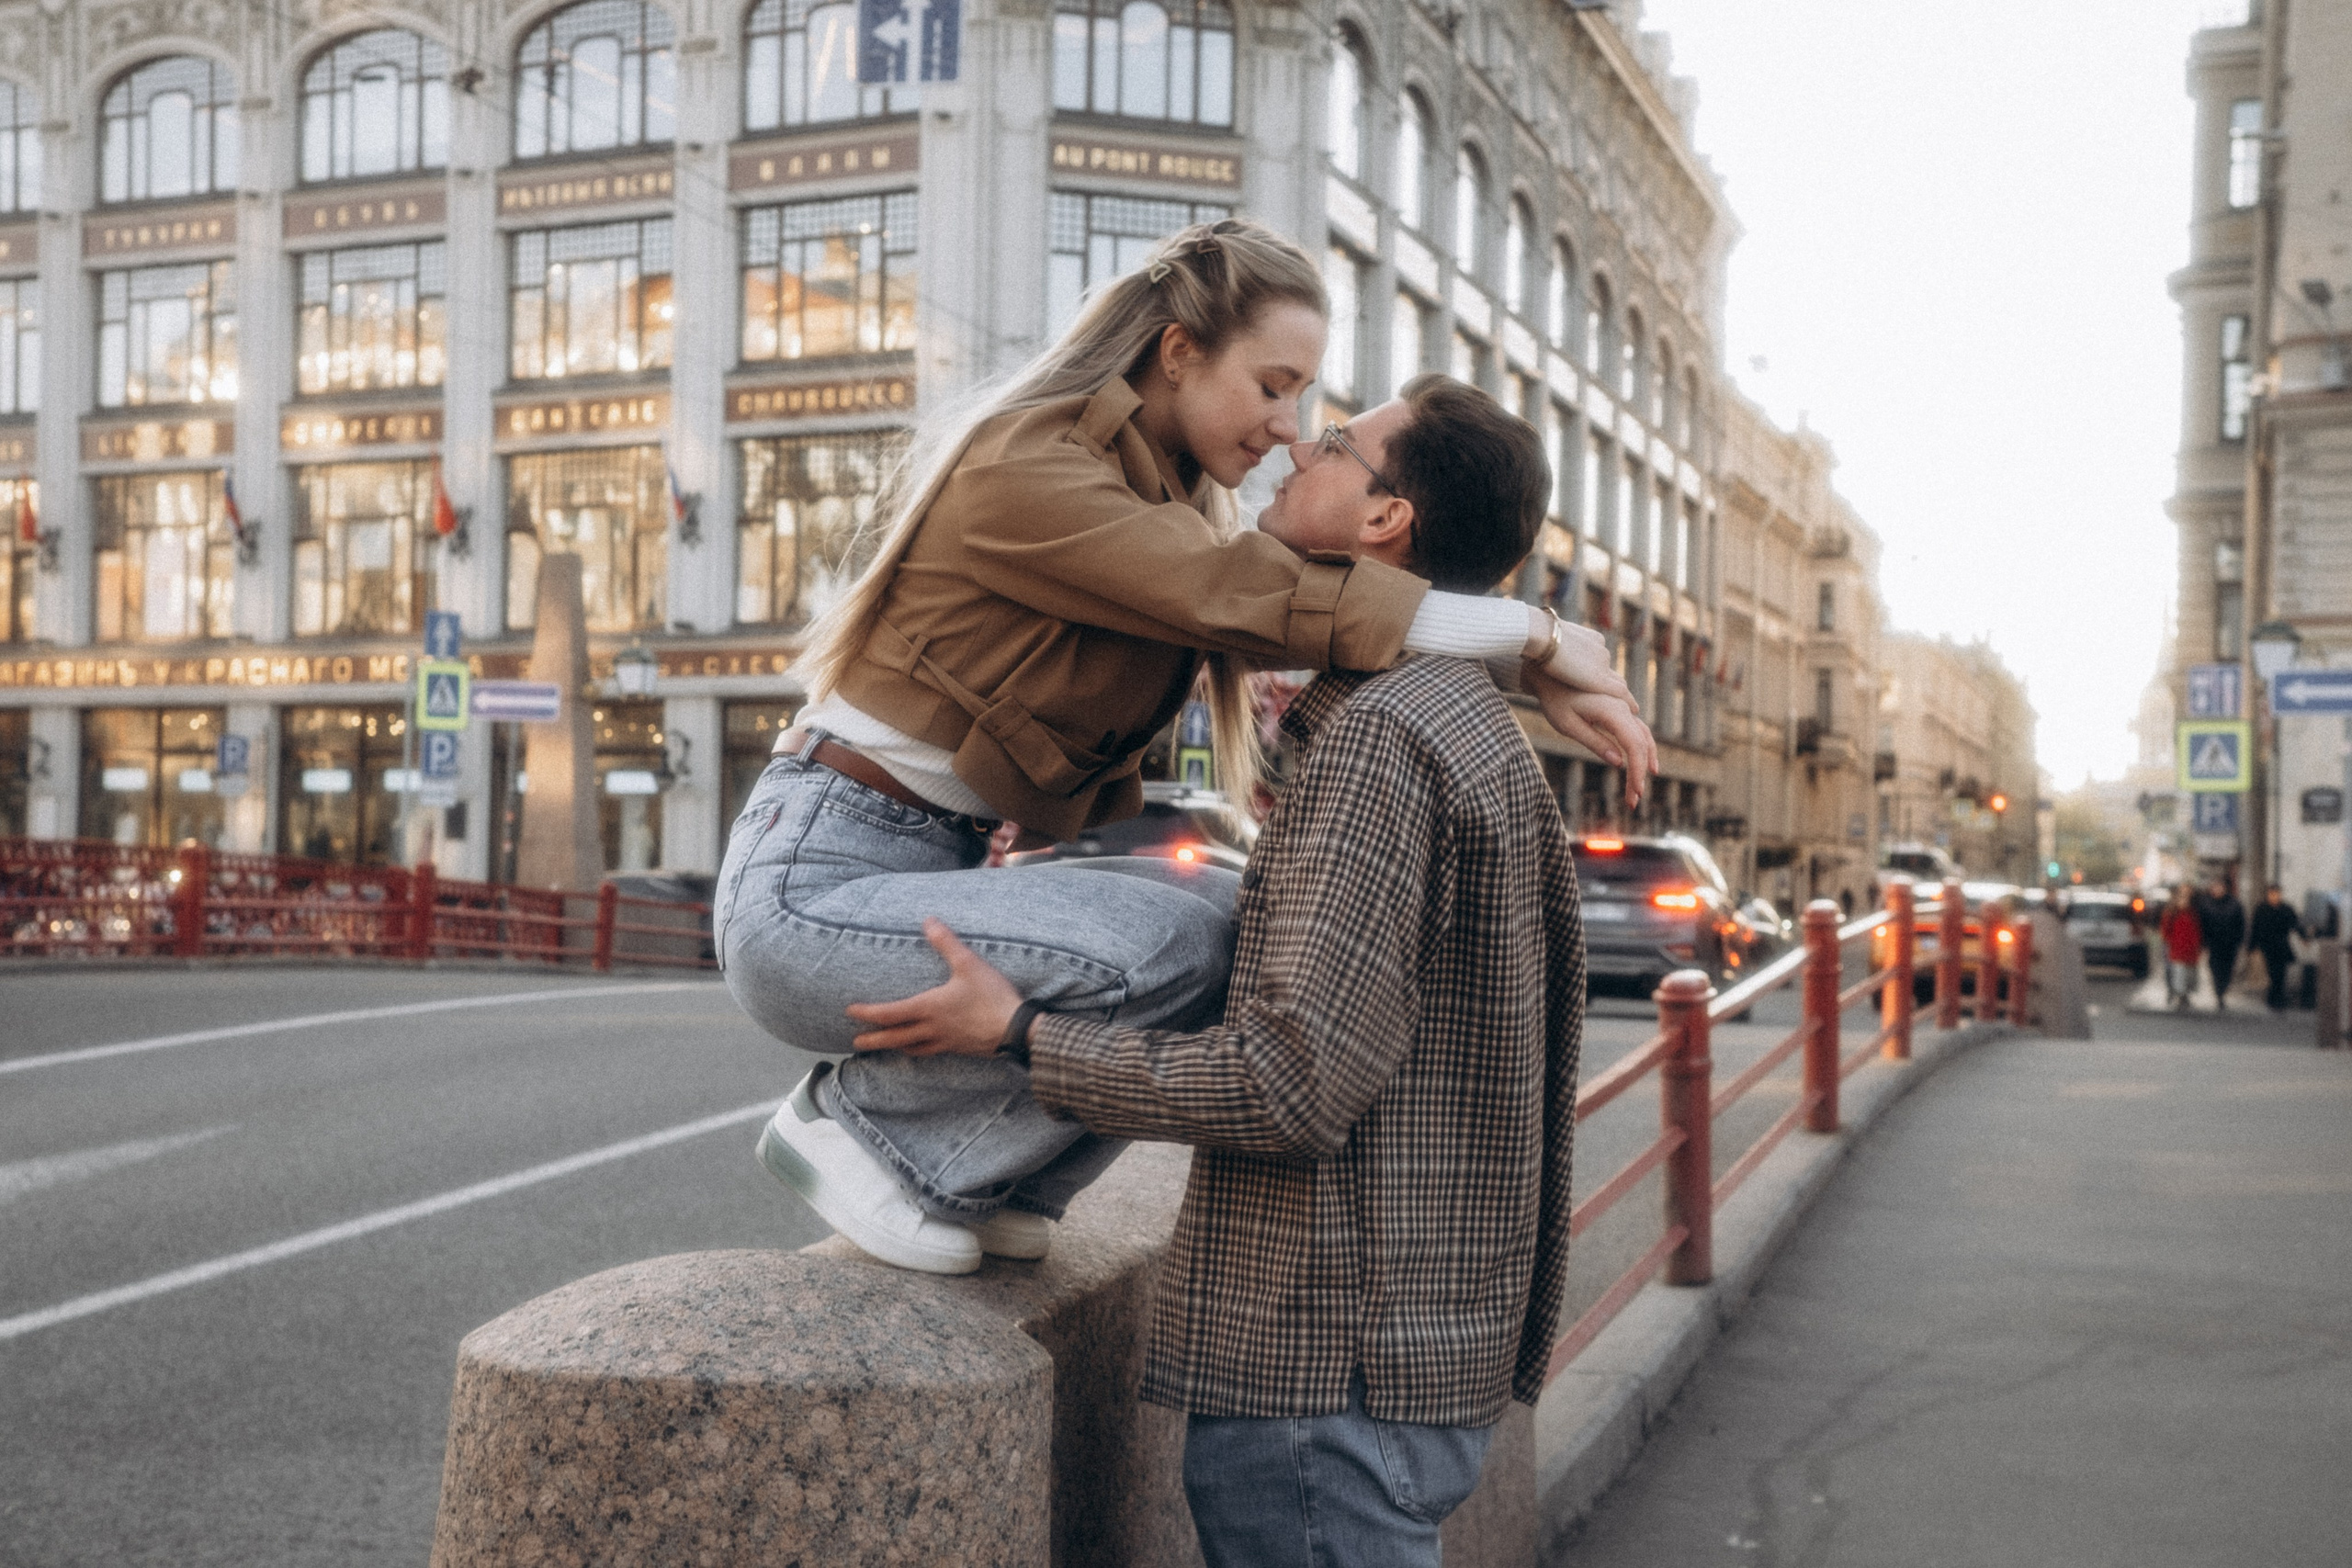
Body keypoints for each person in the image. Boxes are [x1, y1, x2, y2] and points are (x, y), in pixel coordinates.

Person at [717, 220, 1653, 1279]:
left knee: (1237, 921)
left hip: (918, 868)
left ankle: (993, 1167)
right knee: (1176, 945)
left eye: (1306, 403)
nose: (1288, 427)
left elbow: (1281, 594)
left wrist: (1523, 658)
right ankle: (865, 1131)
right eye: (1271, 386)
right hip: (813, 889)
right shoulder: (1032, 462)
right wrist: (1530, 639)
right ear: (1178, 353)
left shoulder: (1165, 497)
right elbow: (1247, 596)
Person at [843, 374, 1581, 1566]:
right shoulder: (1466, 719)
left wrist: (1022, 1031)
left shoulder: (1383, 737)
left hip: (1325, 1373)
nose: (1296, 448)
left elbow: (1290, 1083)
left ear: (1389, 522)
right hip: (1414, 1347)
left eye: (1337, 441)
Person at [2250, 884, 2306, 1010]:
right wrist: (2252, 946)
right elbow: (2255, 928)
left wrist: (2304, 937)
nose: (2274, 897)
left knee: (2280, 973)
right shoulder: (2261, 909)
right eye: (2272, 894)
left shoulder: (2286, 909)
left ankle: (2276, 997)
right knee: (2272, 972)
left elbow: (2295, 923)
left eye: (2277, 894)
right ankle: (2274, 997)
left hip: (2282, 946)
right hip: (2267, 946)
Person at [2197, 874, 2247, 1010]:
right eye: (2215, 887)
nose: (2217, 890)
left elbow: (2240, 923)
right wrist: (2203, 943)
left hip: (2230, 944)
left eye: (2220, 887)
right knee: (2215, 968)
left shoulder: (2234, 904)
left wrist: (2239, 940)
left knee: (2227, 970)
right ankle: (2219, 993)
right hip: (2213, 944)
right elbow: (2201, 924)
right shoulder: (2206, 903)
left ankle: (2222, 991)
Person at [2161, 885, 2201, 1010]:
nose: (2183, 902)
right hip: (2176, 950)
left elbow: (2197, 932)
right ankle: (2177, 994)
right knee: (2178, 974)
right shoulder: (2171, 914)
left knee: (2190, 975)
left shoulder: (2193, 915)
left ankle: (2185, 996)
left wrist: (2197, 946)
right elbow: (2165, 931)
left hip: (2190, 952)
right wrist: (2170, 942)